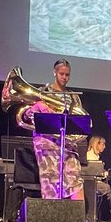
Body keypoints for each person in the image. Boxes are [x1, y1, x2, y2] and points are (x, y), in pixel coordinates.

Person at [17, 59, 87, 200]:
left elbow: (79, 120)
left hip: (67, 145)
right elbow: (25, 115)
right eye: (61, 74)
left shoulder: (73, 97)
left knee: (76, 181)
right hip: (46, 144)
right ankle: (53, 220)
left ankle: (79, 219)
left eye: (67, 75)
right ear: (54, 73)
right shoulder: (43, 92)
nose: (64, 78)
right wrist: (35, 108)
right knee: (50, 182)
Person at [83, 135, 111, 222]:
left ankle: (110, 213)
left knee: (107, 186)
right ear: (96, 144)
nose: (104, 147)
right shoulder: (89, 156)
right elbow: (89, 172)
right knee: (107, 187)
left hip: (95, 181)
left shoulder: (96, 156)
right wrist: (102, 173)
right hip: (89, 182)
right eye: (103, 144)